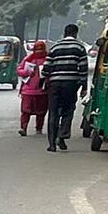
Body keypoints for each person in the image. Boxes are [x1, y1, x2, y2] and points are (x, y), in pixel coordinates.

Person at [41, 24, 89, 152]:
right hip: (71, 84)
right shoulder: (79, 47)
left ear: (64, 33)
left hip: (55, 84)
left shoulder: (55, 47)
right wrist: (84, 87)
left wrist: (42, 82)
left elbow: (46, 67)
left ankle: (52, 144)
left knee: (53, 112)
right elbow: (83, 69)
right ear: (75, 33)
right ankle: (62, 134)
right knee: (68, 110)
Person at [15, 40, 48, 136]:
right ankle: (24, 128)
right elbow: (19, 70)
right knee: (25, 112)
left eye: (41, 49)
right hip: (28, 91)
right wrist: (27, 72)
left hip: (42, 91)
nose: (39, 51)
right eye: (37, 49)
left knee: (41, 112)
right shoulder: (28, 59)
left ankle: (39, 128)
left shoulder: (48, 60)